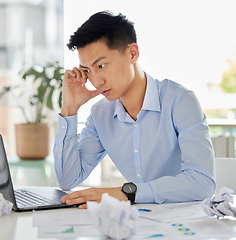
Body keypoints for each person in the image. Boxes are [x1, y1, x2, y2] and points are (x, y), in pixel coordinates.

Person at [53, 11, 215, 208]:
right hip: (137, 223)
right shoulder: (100, 114)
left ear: (132, 53)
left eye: (101, 65)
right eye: (87, 71)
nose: (96, 81)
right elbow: (67, 180)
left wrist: (126, 193)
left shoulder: (181, 102)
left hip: (186, 223)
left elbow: (202, 182)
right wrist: (69, 108)